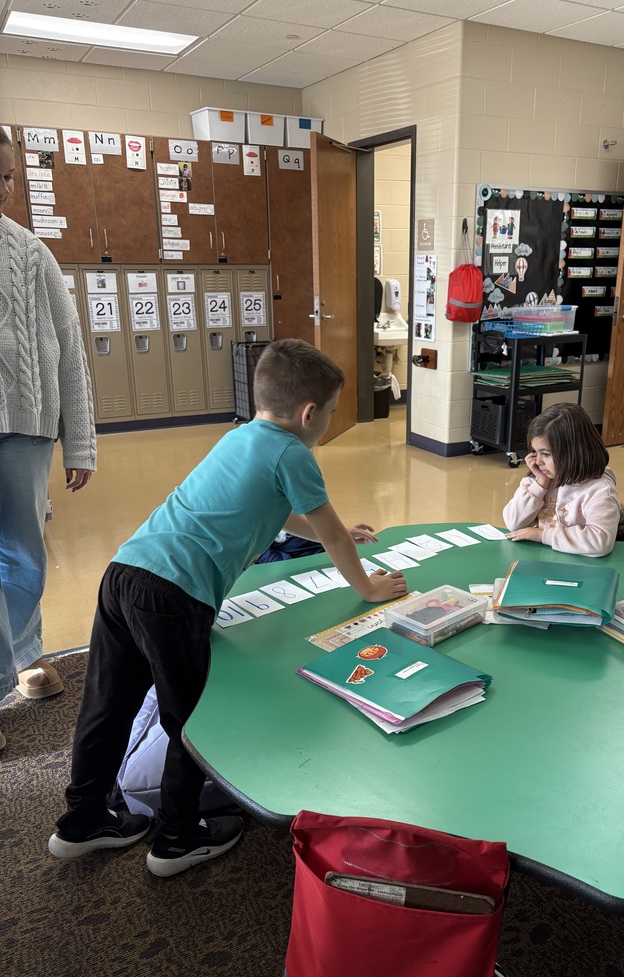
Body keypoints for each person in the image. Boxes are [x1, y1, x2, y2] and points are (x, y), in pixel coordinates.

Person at [48, 338, 409, 877]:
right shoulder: (294, 453)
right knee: (191, 722)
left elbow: (282, 514)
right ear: (310, 414)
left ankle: (80, 823)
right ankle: (175, 838)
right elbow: (330, 532)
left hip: (125, 572)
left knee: (107, 704)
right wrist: (367, 586)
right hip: (174, 597)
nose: (329, 422)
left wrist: (342, 536)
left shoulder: (240, 436)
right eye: (331, 414)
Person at [0, 127, 96, 752]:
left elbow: (68, 353)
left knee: (22, 555)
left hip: (23, 429)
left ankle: (24, 656)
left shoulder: (30, 253)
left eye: (5, 177)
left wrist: (80, 442)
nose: (2, 189)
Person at [502, 403, 620, 557]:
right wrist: (540, 485)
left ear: (574, 452)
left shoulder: (599, 491)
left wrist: (542, 535)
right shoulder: (538, 479)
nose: (537, 461)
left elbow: (600, 542)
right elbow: (513, 523)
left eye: (546, 453)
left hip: (576, 569)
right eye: (535, 452)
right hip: (540, 561)